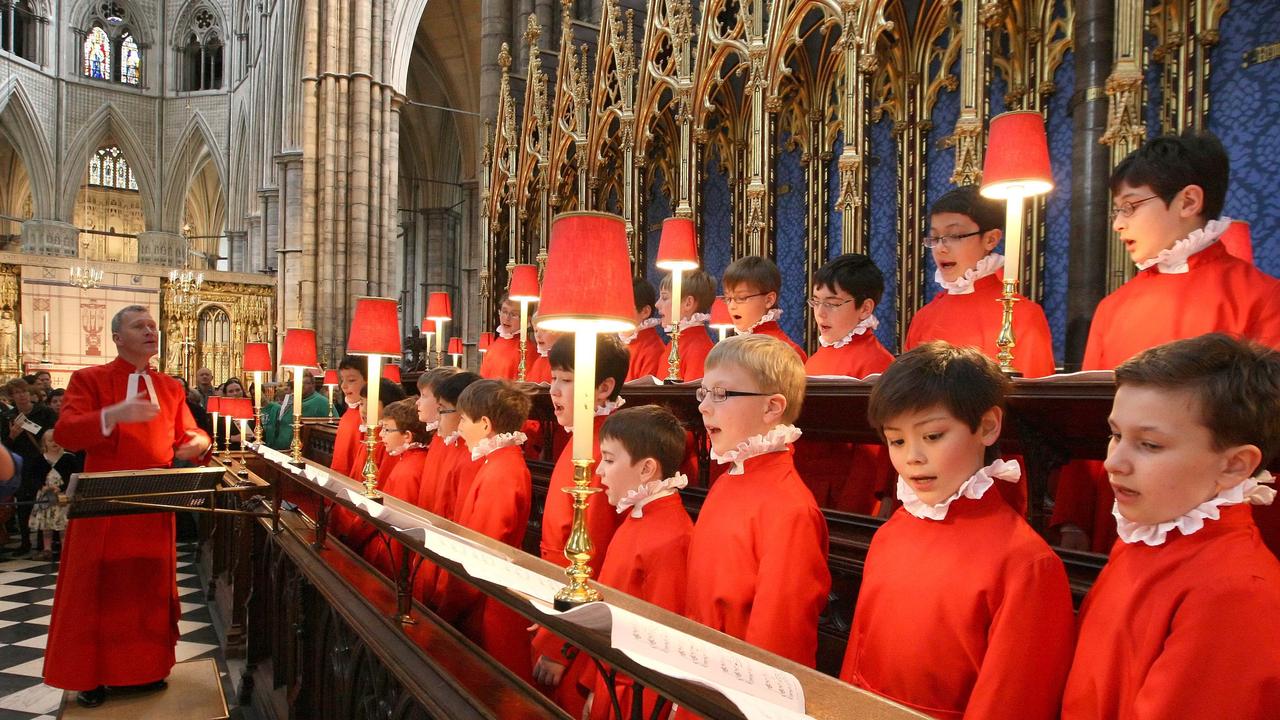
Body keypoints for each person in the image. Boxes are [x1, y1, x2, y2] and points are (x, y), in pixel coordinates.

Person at [1054, 130, 1280, 554]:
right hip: (1120, 507)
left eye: (1130, 206)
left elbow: (1266, 432)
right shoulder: (1114, 307)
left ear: (1189, 201)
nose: (1118, 222)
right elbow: (1085, 422)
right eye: (1115, 209)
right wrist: (1074, 514)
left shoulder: (1260, 297)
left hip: (1219, 525)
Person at [840, 342, 1074, 718]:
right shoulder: (893, 532)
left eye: (932, 436)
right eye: (896, 440)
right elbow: (859, 652)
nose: (912, 456)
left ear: (987, 426)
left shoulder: (1025, 563)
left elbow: (1012, 700)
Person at [1062, 335, 1280, 718]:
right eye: (1115, 435)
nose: (1113, 463)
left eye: (1149, 445)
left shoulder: (1235, 592)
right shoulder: (1148, 533)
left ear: (1234, 465)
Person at [43, 305, 211, 707]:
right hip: (105, 501)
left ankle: (144, 668)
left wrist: (198, 443)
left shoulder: (169, 387)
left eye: (153, 326)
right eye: (140, 326)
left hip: (153, 502)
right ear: (117, 337)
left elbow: (188, 431)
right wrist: (114, 414)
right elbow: (65, 432)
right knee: (98, 589)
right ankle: (91, 675)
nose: (151, 331)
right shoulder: (89, 379)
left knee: (146, 589)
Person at [683, 335, 829, 673]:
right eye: (703, 393)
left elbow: (778, 643)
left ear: (772, 408)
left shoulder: (789, 509)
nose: (704, 406)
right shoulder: (730, 478)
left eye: (720, 394)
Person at [548, 406, 693, 720]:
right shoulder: (636, 518)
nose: (599, 471)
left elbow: (661, 643)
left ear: (646, 470)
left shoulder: (671, 536)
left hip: (631, 696)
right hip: (611, 680)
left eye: (610, 460)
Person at [530, 335, 630, 713]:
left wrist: (560, 644)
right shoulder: (581, 439)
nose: (553, 390)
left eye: (567, 380)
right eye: (553, 378)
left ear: (604, 388)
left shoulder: (607, 450)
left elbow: (594, 559)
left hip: (576, 631)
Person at [432, 379, 533, 680]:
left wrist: (447, 607)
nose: (459, 428)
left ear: (485, 425)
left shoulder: (503, 471)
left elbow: (481, 552)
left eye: (463, 420)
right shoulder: (497, 462)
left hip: (486, 611)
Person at [903, 185, 1056, 378]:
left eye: (955, 236)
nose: (940, 248)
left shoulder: (1022, 316)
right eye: (934, 238)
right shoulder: (924, 318)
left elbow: (1031, 398)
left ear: (991, 239)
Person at [796, 253, 897, 513]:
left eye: (833, 303)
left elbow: (875, 451)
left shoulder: (877, 363)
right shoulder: (815, 359)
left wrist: (858, 505)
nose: (820, 313)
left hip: (844, 495)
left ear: (865, 308)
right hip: (805, 485)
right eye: (816, 302)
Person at [358, 399, 431, 575]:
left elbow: (399, 524)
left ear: (407, 436)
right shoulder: (410, 460)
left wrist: (382, 564)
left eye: (387, 429)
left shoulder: (408, 470)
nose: (381, 435)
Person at [1, 378, 58, 553]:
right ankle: (25, 542)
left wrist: (30, 427)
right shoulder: (8, 417)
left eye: (24, 391)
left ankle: (44, 543)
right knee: (23, 503)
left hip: (41, 462)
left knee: (44, 501)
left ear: (30, 393)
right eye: (17, 393)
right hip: (21, 464)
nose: (22, 396)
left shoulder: (45, 413)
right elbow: (4, 446)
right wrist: (12, 436)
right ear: (12, 397)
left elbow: (52, 436)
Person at [721, 256, 807, 361]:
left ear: (769, 300)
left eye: (742, 298)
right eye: (728, 298)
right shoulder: (731, 348)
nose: (732, 306)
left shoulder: (786, 352)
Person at [656, 269, 716, 381]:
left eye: (664, 298)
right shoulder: (675, 343)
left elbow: (692, 396)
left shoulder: (699, 349)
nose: (657, 304)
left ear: (688, 303)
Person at [28, 430, 79, 561]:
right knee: (46, 525)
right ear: (44, 443)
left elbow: (74, 476)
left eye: (56, 440)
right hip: (46, 496)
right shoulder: (39, 459)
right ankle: (47, 549)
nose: (53, 443)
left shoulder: (69, 458)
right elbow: (33, 477)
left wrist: (62, 487)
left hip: (63, 496)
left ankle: (65, 549)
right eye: (50, 441)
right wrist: (42, 487)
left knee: (63, 524)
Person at [262, 369, 332, 451]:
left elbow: (333, 425)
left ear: (313, 385)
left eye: (305, 383)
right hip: (279, 449)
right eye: (299, 383)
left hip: (302, 451)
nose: (301, 386)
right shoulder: (292, 399)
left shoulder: (321, 401)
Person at [478, 295, 538, 380]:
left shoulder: (528, 350)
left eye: (514, 314)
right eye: (504, 312)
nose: (507, 318)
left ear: (527, 319)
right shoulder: (494, 346)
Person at [617, 277, 666, 381]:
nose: (617, 313)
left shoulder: (653, 350)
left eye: (625, 307)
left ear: (645, 312)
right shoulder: (620, 343)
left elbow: (645, 395)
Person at [329, 356, 367, 476]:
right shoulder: (348, 414)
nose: (343, 386)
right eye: (342, 380)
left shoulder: (366, 417)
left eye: (351, 380)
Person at [524, 314, 560, 384]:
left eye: (544, 330)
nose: (538, 336)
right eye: (536, 331)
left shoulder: (559, 362)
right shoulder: (539, 361)